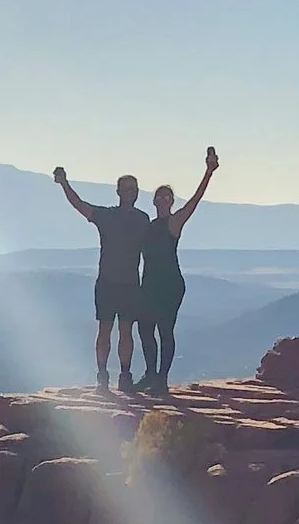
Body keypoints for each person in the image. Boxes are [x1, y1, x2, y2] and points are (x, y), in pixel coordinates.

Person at [52, 167, 151, 388]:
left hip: (129, 284)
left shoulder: (142, 219)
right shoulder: (107, 216)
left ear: (136, 193)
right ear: (118, 192)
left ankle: (124, 375)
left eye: (133, 189)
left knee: (126, 331)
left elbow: (153, 248)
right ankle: (103, 375)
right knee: (105, 329)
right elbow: (80, 205)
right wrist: (65, 184)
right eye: (126, 189)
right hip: (108, 282)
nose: (129, 193)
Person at [136, 147, 218, 392]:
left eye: (166, 197)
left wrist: (209, 172)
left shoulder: (174, 222)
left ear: (172, 201)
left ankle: (161, 380)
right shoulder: (147, 226)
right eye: (159, 197)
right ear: (153, 201)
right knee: (145, 329)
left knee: (164, 329)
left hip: (170, 284)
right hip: (149, 283)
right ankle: (150, 375)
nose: (162, 200)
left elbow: (195, 200)